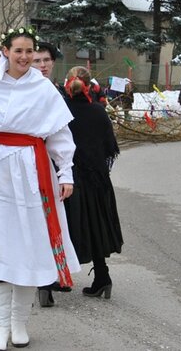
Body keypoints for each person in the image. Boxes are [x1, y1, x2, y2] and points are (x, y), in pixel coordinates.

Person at [0, 26, 80, 350]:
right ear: (6, 51)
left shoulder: (43, 90)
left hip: (32, 172)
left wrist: (65, 173)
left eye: (30, 52)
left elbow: (59, 136)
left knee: (28, 247)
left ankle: (19, 322)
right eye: (19, 51)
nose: (25, 57)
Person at [62, 66, 123, 300]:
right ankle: (102, 277)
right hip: (97, 179)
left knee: (66, 227)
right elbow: (110, 148)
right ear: (89, 86)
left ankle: (60, 278)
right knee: (96, 227)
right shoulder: (98, 111)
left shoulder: (61, 110)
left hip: (68, 179)